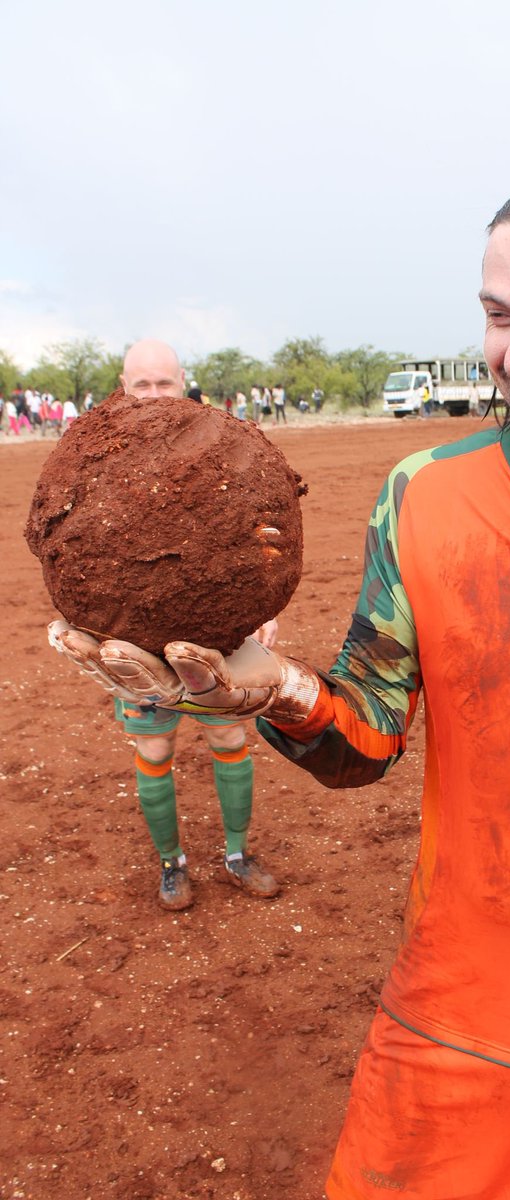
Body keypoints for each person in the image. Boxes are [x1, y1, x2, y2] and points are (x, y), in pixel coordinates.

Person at [48, 165, 510, 1196]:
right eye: (498, 314)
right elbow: (366, 740)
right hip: (451, 1008)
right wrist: (268, 688)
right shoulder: (424, 498)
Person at [64, 339, 282, 912]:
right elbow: (64, 537)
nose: (155, 395)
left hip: (214, 631)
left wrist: (265, 609)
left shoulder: (219, 443)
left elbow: (257, 527)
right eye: (143, 384)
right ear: (123, 383)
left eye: (164, 383)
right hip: (131, 637)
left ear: (183, 380)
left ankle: (237, 855)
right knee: (155, 749)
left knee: (229, 735)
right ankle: (172, 866)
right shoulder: (92, 454)